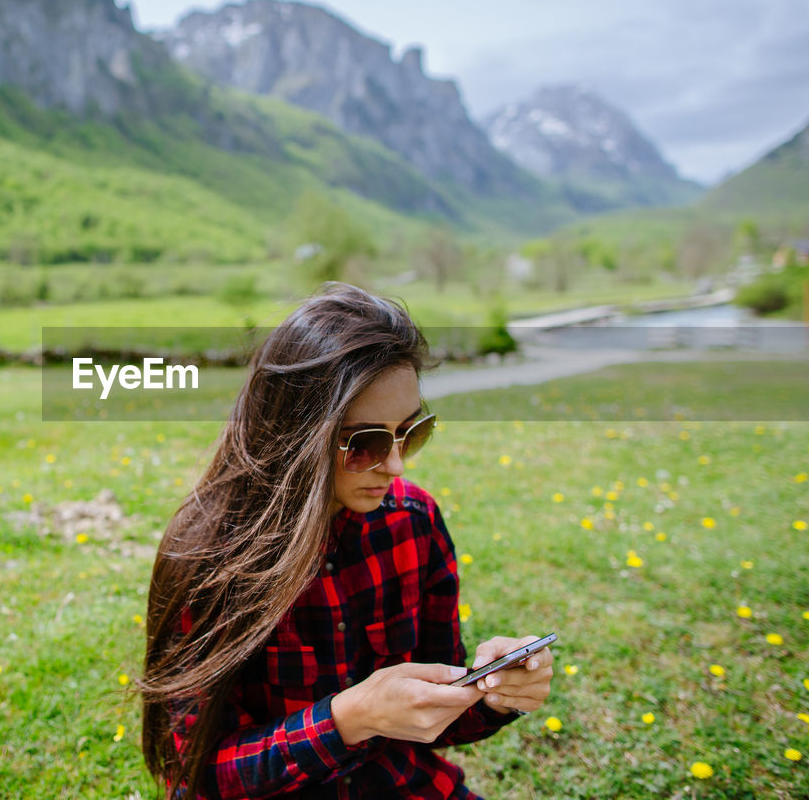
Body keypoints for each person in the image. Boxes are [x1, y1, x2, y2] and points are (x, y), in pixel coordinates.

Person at [138, 282, 553, 799]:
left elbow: (437, 718)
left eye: (410, 432)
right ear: (295, 433)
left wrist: (491, 693)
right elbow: (198, 774)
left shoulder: (413, 520)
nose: (396, 466)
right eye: (365, 444)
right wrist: (348, 719)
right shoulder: (208, 556)